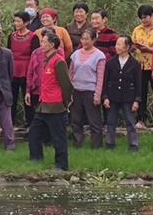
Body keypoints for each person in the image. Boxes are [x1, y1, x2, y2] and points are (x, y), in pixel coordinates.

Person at [28, 31, 73, 172]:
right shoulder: (47, 60)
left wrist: (65, 104)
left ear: (52, 44)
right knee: (34, 132)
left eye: (44, 41)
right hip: (43, 105)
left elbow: (66, 85)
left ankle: (61, 165)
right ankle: (36, 159)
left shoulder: (59, 62)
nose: (41, 44)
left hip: (56, 106)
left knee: (58, 137)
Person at [103, 36, 142, 152]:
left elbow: (138, 84)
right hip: (113, 96)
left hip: (128, 97)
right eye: (116, 44)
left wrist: (136, 100)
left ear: (127, 47)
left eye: (120, 44)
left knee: (130, 122)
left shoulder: (134, 64)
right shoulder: (110, 62)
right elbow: (105, 81)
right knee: (110, 122)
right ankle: (110, 144)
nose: (117, 47)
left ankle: (133, 145)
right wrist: (105, 97)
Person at [69, 28, 106, 149]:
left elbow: (100, 76)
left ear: (93, 40)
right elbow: (71, 74)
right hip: (76, 90)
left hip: (90, 91)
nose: (84, 41)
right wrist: (69, 92)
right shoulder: (75, 54)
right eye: (82, 39)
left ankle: (97, 146)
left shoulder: (99, 56)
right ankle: (77, 144)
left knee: (94, 121)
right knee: (76, 120)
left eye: (87, 39)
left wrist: (97, 95)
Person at [131, 5, 153, 129]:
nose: (143, 20)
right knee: (140, 93)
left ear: (152, 15)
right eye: (141, 18)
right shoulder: (137, 30)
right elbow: (132, 45)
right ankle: (141, 119)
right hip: (140, 66)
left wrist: (148, 49)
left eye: (145, 17)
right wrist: (134, 47)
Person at [9, 9, 40, 128]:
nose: (16, 24)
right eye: (15, 21)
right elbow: (8, 52)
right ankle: (10, 122)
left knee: (28, 98)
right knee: (12, 97)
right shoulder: (11, 36)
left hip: (27, 69)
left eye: (18, 21)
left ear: (26, 23)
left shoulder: (33, 37)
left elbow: (35, 55)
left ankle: (30, 123)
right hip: (13, 69)